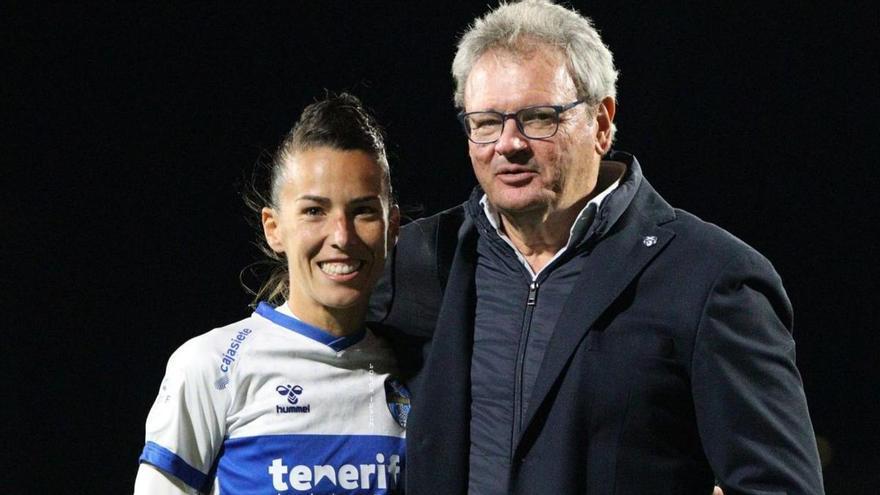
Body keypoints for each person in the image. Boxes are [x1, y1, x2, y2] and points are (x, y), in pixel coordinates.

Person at [368, 1, 824, 493]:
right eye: (486, 122)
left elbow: (780, 486)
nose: (509, 143)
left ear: (602, 122)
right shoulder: (420, 257)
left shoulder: (711, 278)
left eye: (538, 118)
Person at [135, 93, 407, 494]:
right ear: (274, 228)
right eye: (314, 211)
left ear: (392, 227)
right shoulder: (211, 366)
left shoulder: (417, 371)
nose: (342, 236)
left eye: (363, 211)